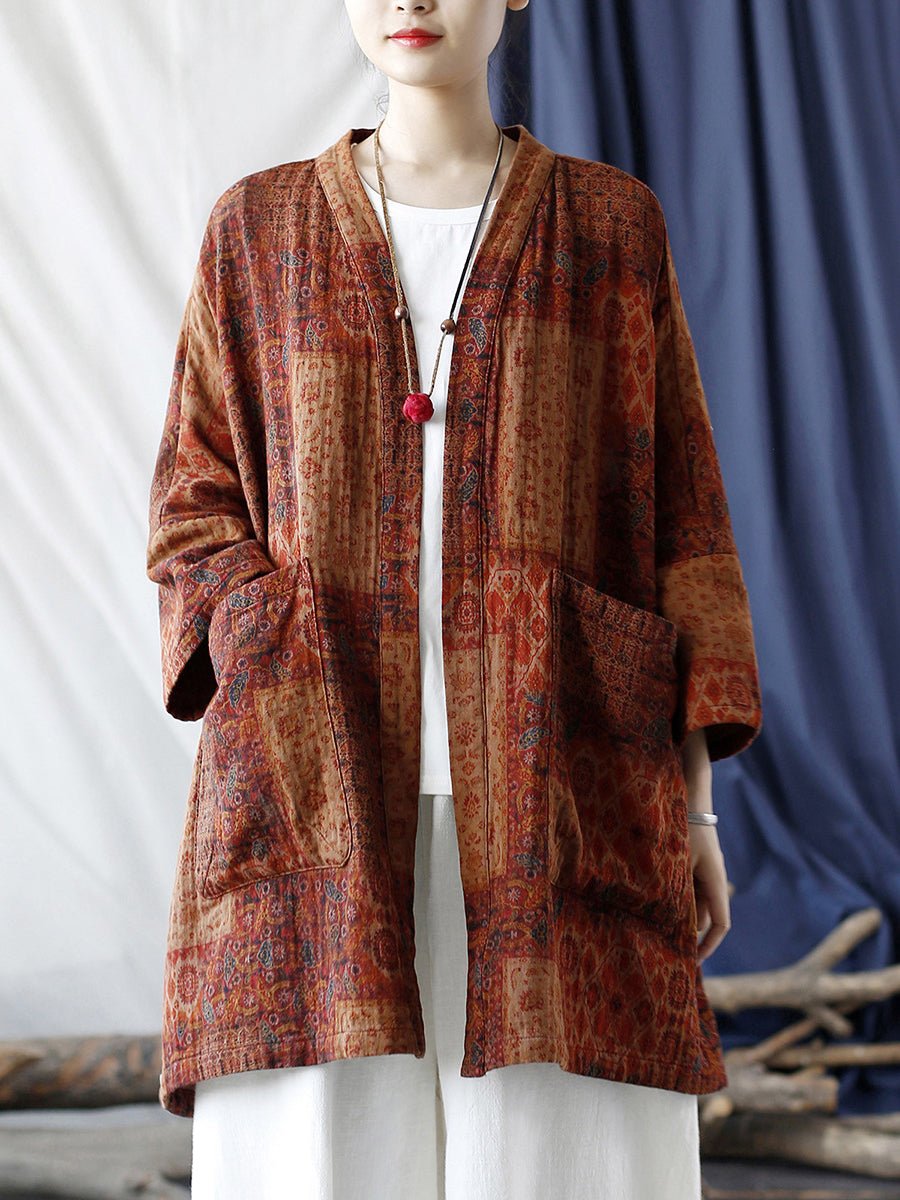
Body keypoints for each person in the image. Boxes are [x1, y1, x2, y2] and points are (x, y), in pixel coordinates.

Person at [146, 1, 762, 1196]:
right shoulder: (258, 231)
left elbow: (681, 534)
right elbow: (192, 505)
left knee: (566, 1168)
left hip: (563, 791)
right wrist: (269, 637)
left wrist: (696, 815)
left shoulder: (609, 228)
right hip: (315, 801)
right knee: (321, 1170)